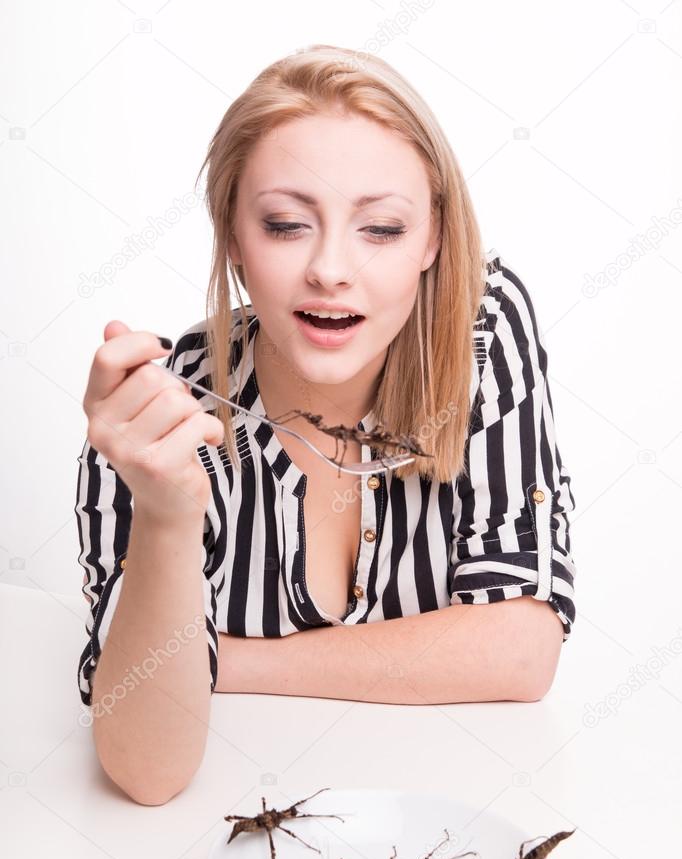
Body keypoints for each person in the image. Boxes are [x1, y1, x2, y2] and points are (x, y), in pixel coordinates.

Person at [74, 45, 576, 804]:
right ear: (234, 240)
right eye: (286, 224)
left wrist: (226, 662)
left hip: (452, 814)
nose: (332, 270)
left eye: (380, 228)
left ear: (433, 238)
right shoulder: (160, 419)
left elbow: (524, 651)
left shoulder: (482, 332)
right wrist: (168, 516)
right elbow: (148, 773)